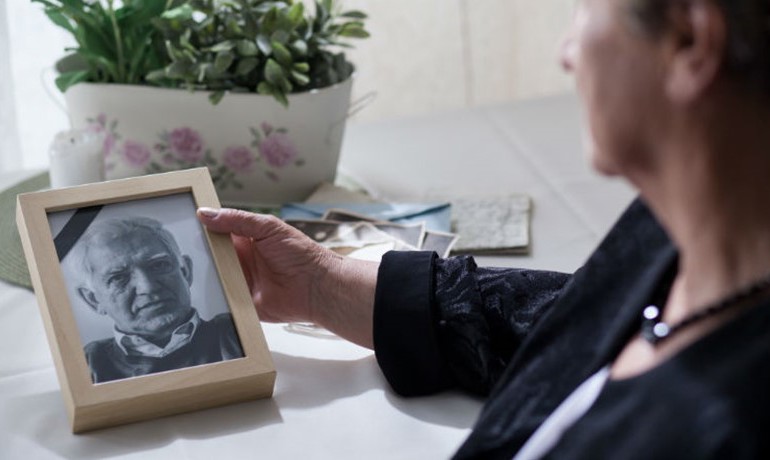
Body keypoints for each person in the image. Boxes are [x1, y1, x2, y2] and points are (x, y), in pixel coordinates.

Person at [197, 0, 770, 457]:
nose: (566, 52)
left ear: (691, 41)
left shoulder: (720, 422)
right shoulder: (683, 232)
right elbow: (570, 319)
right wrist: (324, 285)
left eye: (584, 9)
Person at [73, 217, 243, 383]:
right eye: (118, 278)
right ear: (93, 300)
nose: (148, 287)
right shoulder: (88, 364)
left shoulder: (236, 332)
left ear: (185, 272)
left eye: (158, 265)